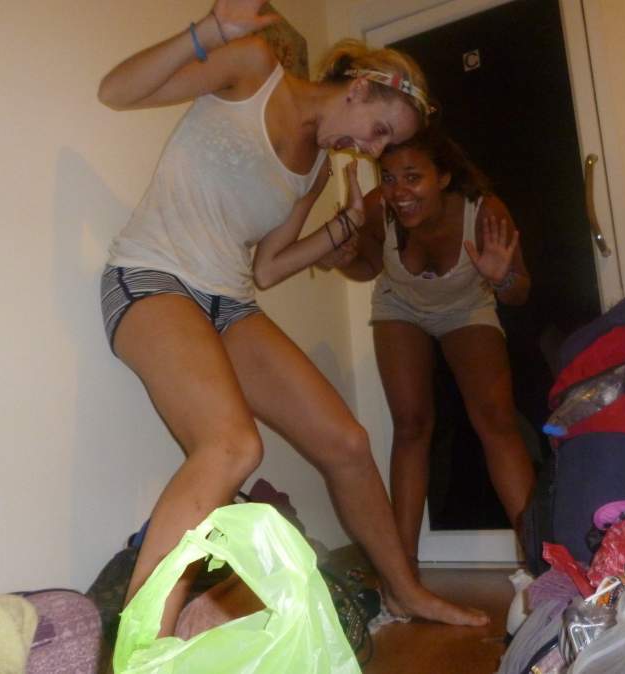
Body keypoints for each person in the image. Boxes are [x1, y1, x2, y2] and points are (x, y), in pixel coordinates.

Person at [97, 0, 488, 636]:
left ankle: (405, 591)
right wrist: (208, 32)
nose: (372, 149)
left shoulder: (317, 169)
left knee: (348, 443)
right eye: (379, 129)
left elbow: (269, 267)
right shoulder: (254, 68)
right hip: (151, 277)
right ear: (360, 87)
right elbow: (116, 91)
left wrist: (343, 227)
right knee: (232, 446)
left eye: (385, 144)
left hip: (228, 301)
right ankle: (144, 647)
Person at [319, 126, 536, 566]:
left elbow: (520, 292)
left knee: (497, 420)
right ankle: (404, 571)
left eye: (413, 177)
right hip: (400, 306)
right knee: (411, 426)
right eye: (389, 178)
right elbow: (367, 267)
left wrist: (502, 278)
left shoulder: (485, 211)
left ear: (444, 177)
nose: (399, 192)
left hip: (467, 307)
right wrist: (344, 258)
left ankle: (541, 561)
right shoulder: (379, 208)